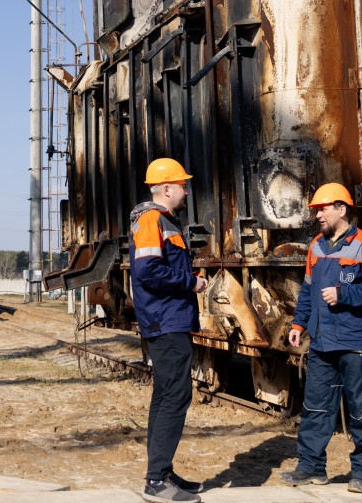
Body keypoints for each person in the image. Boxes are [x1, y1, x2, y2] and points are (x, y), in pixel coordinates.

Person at [280, 182, 362, 494]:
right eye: (316, 210)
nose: (317, 215)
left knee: (361, 409)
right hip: (321, 341)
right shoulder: (316, 246)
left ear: (342, 209)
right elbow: (307, 293)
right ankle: (311, 467)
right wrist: (299, 325)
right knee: (315, 407)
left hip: (355, 342)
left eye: (323, 208)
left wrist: (344, 293)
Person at [130, 157, 209, 503]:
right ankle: (156, 480)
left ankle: (161, 472)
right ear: (166, 189)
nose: (186, 190)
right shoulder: (152, 220)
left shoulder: (164, 220)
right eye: (182, 185)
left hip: (168, 318)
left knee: (165, 396)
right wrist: (190, 282)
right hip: (165, 319)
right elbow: (147, 270)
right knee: (175, 396)